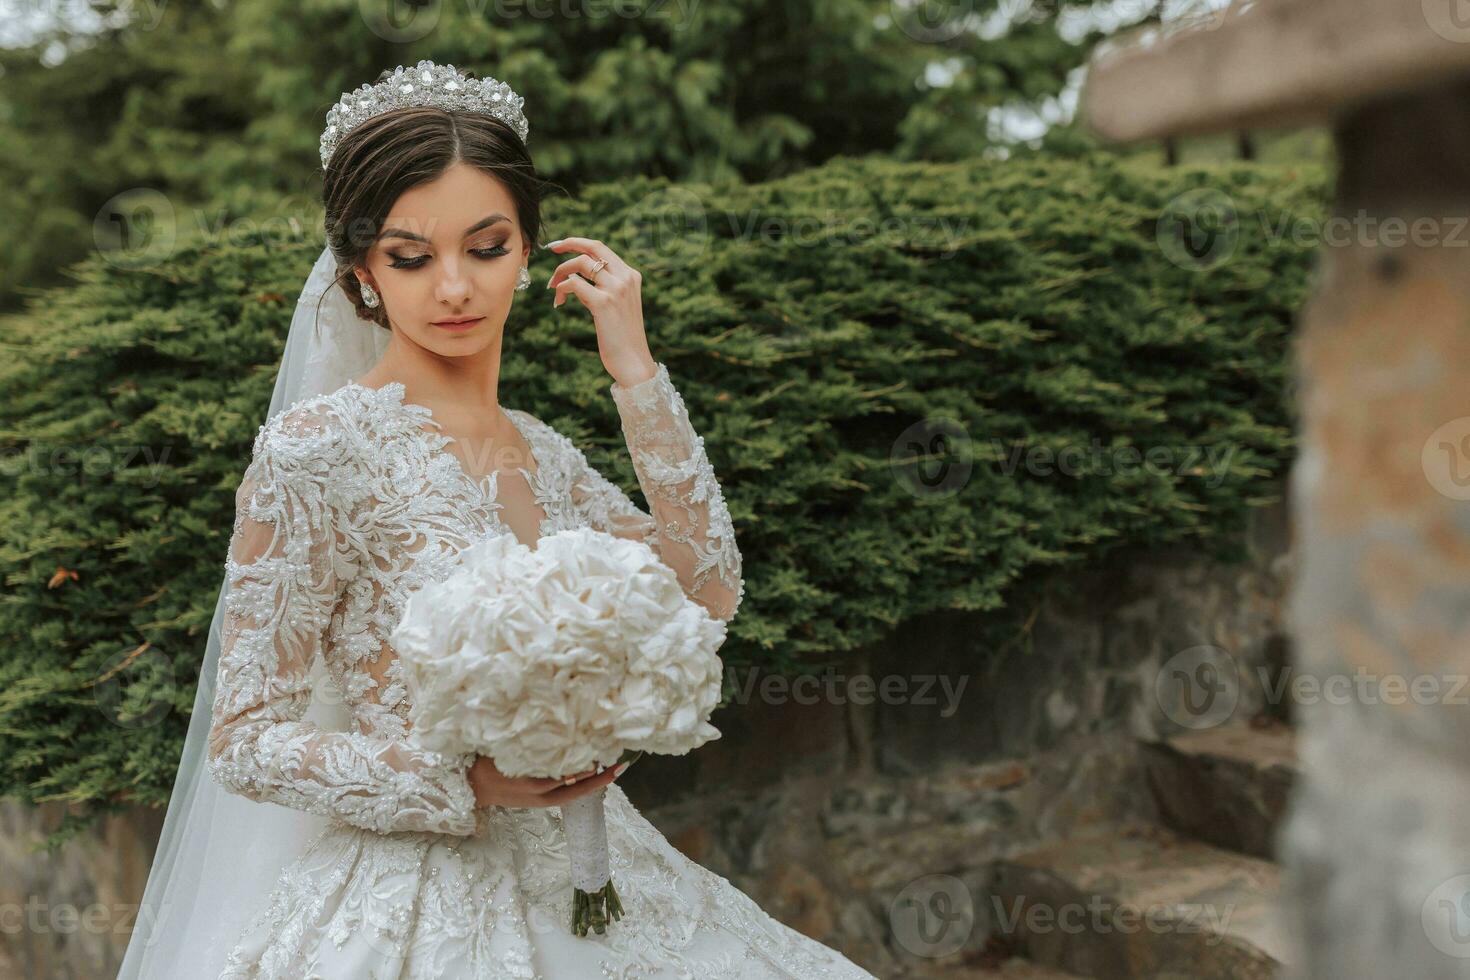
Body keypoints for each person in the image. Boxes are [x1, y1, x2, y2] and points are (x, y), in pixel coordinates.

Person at [115, 60, 877, 978]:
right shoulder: (317, 449)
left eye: (486, 247)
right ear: (362, 269)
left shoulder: (545, 450)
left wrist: (635, 371)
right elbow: (244, 738)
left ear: (527, 249)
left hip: (602, 869)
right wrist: (459, 780)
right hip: (416, 901)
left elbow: (706, 588)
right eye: (410, 256)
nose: (454, 289)